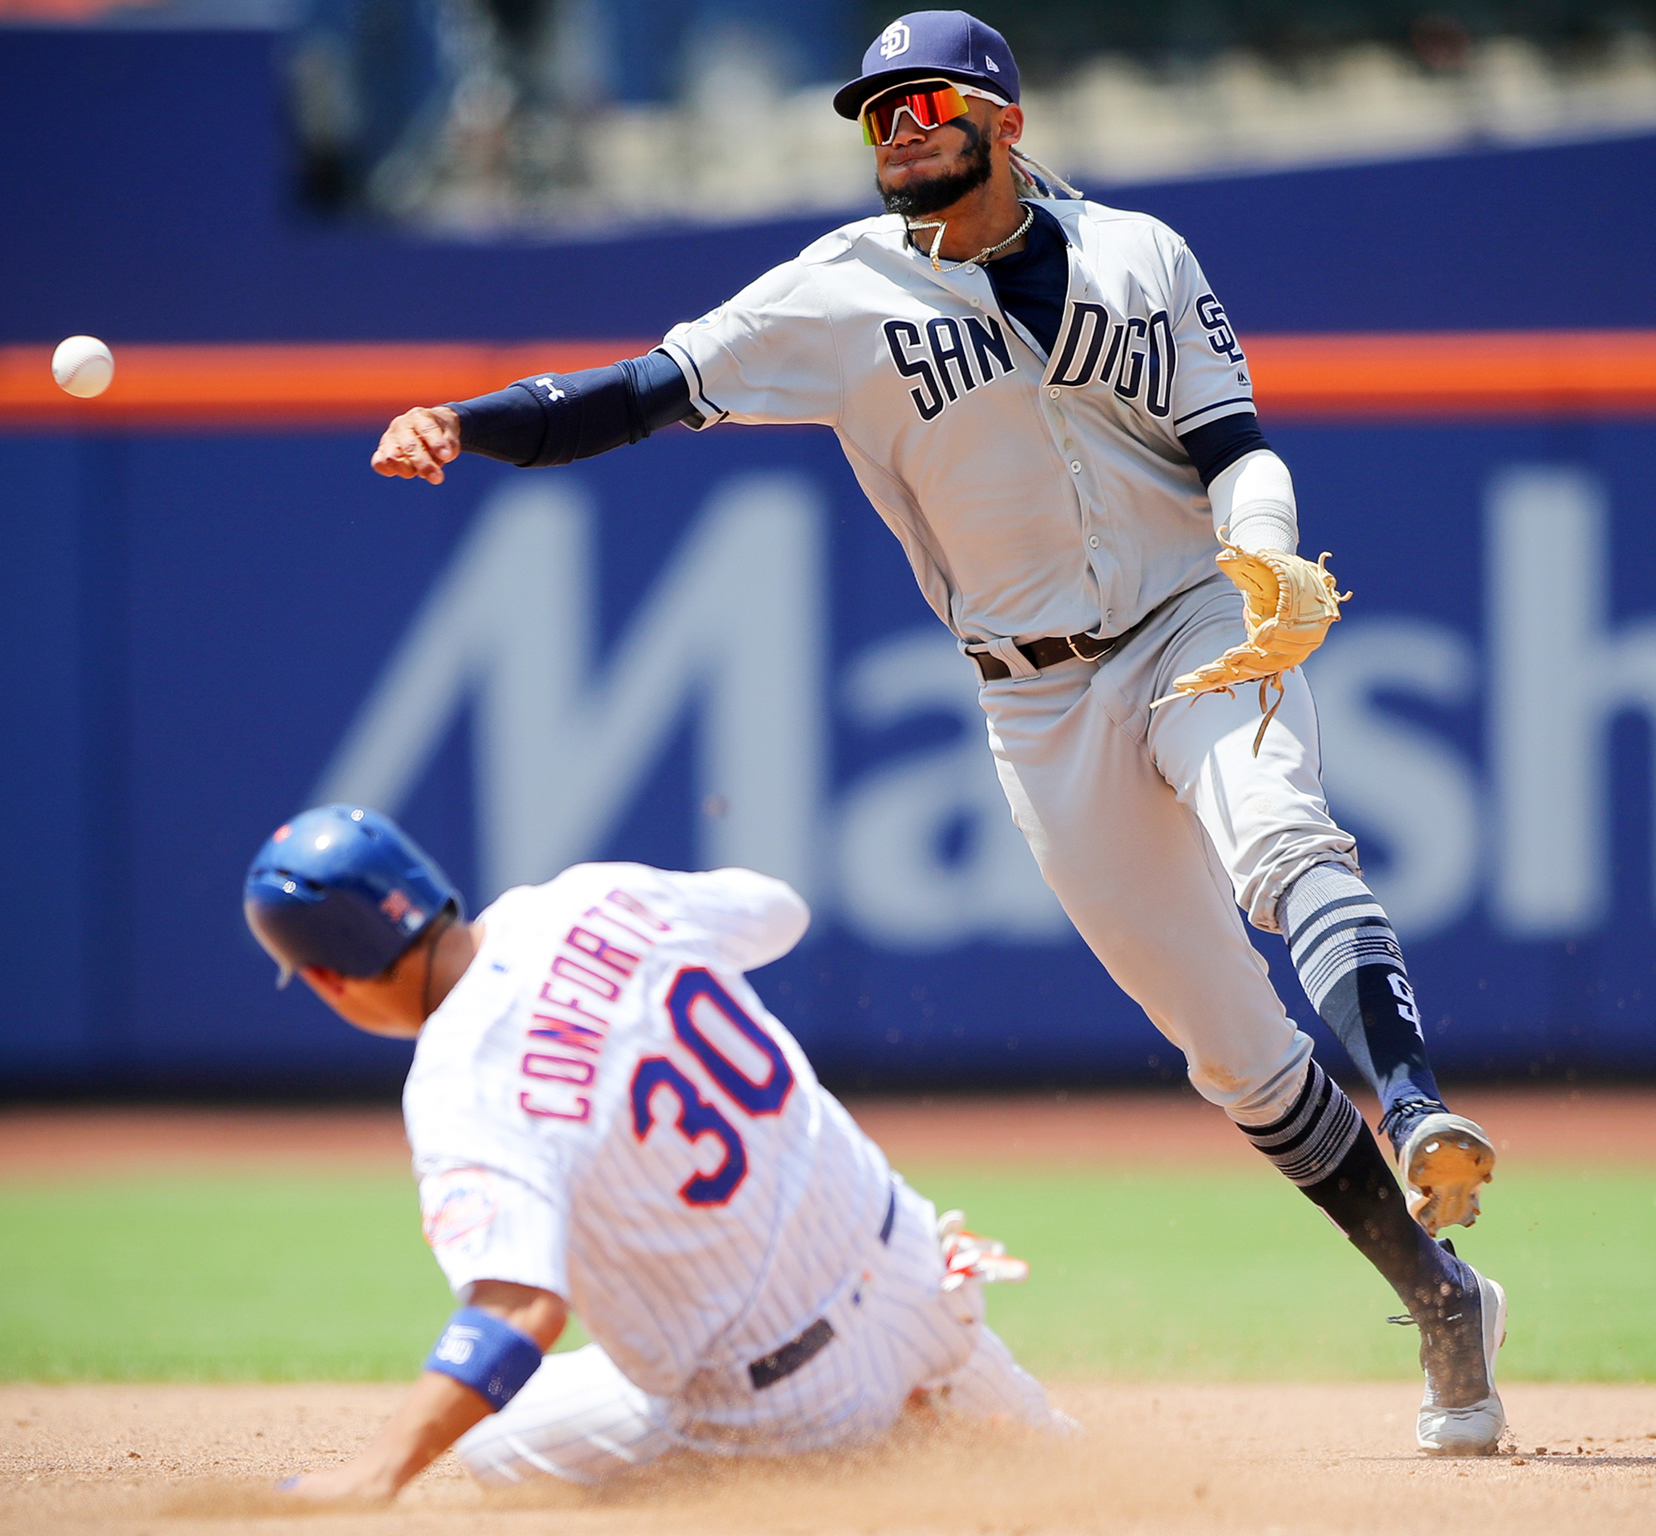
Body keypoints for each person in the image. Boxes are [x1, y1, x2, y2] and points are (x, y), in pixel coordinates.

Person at [368, 10, 1507, 1453]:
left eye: (926, 99)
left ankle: (1414, 1113)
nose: (897, 124)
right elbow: (647, 391)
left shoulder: (1141, 258)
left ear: (1004, 120)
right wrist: (465, 423)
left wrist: (1268, 555)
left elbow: (1236, 448)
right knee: (1232, 1052)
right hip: (1033, 693)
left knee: (1280, 834)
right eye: (877, 109)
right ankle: (1439, 1292)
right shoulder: (834, 293)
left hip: (1196, 620)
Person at [244, 803, 1061, 1502]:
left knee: (497, 1444)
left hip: (790, 1405)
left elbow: (519, 1311)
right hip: (925, 1276)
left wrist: (379, 1471)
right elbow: (781, 912)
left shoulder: (458, 1084)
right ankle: (956, 1414)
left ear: (328, 980)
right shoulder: (589, 895)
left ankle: (879, 1463)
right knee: (1083, 1482)